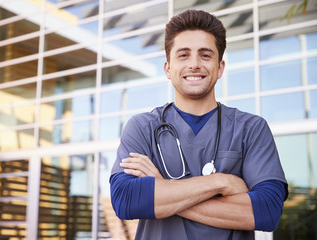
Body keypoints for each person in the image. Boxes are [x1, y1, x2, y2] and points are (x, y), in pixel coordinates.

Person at [109, 9, 288, 240]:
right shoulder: (143, 127)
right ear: (168, 69)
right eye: (183, 55)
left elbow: (267, 211)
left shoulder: (251, 129)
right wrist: (221, 182)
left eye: (205, 55)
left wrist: (163, 191)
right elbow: (126, 200)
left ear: (220, 67)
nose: (194, 64)